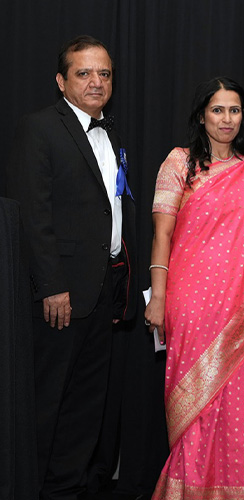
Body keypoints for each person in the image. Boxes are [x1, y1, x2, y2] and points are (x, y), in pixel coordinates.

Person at [144, 76, 244, 498]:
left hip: (243, 311)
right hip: (191, 302)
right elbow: (161, 234)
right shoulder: (179, 163)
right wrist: (158, 296)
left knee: (236, 408)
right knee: (195, 406)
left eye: (234, 110)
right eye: (218, 109)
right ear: (202, 115)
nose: (226, 118)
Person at [6, 35, 138, 500]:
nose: (96, 82)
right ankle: (34, 488)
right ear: (62, 81)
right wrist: (51, 286)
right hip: (60, 296)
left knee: (87, 404)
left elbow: (110, 213)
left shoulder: (112, 133)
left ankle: (68, 488)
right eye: (84, 73)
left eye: (103, 73)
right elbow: (32, 216)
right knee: (49, 404)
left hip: (104, 292)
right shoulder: (38, 128)